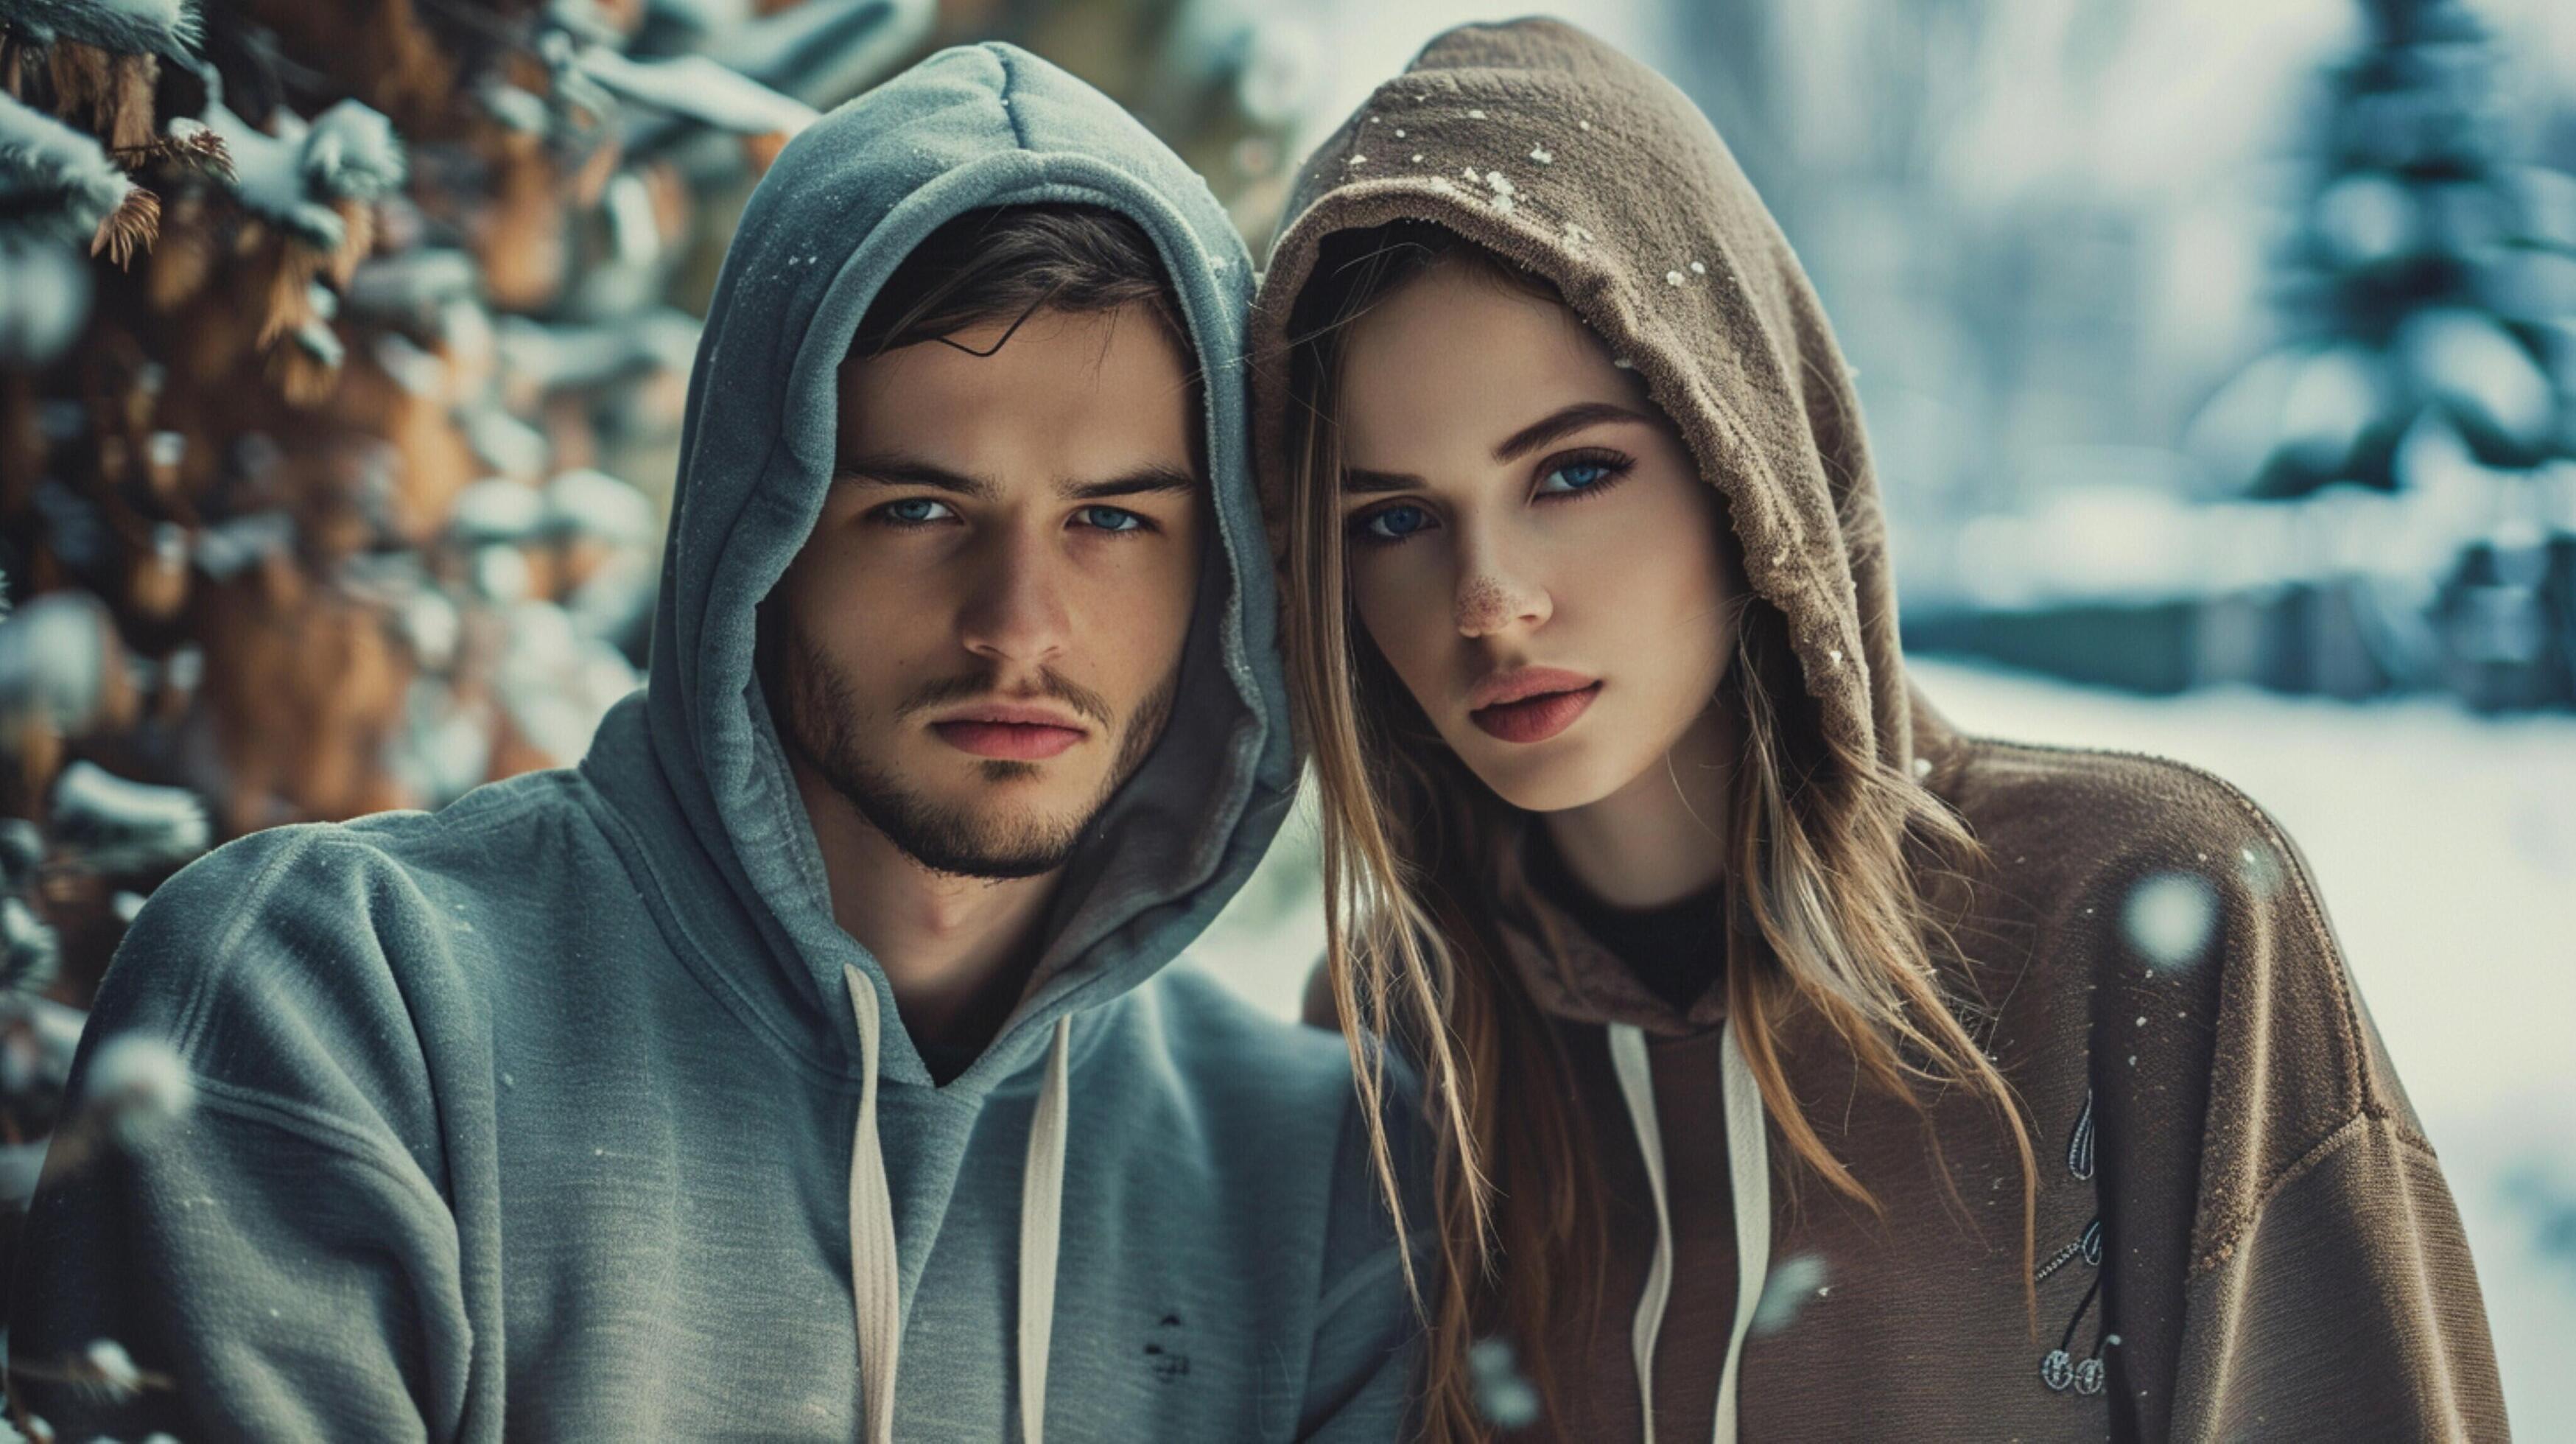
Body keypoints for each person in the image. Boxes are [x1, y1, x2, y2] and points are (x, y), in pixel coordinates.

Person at [10, 44, 1417, 1442]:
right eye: (918, 509)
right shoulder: (349, 1005)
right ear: (759, 531)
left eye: (1113, 520)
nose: (1018, 626)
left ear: (1225, 576)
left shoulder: (1323, 1194)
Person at [1249, 18, 2506, 1443]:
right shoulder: (1390, 1024)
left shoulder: (2149, 916)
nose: (1490, 600)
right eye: (1394, 518)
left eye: (1574, 470)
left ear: (1741, 457)